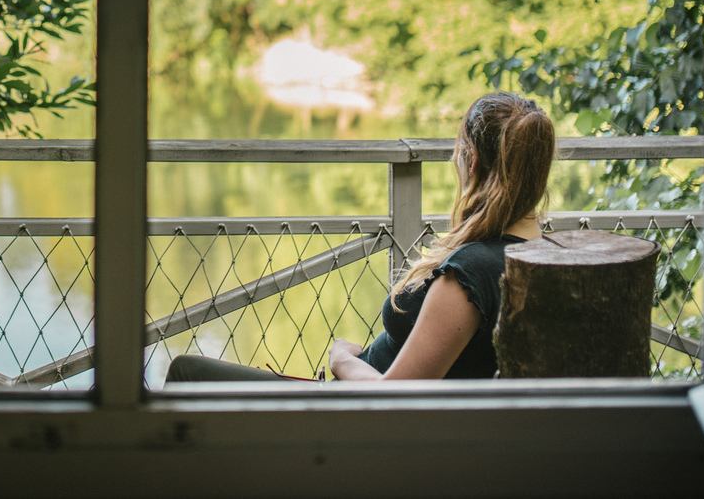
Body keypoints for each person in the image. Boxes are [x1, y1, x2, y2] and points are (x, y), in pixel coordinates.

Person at [165, 90, 555, 385]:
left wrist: (342, 359)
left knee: (186, 373)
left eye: (459, 153)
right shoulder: (542, 257)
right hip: (375, 420)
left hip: (354, 427)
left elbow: (396, 399)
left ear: (471, 162)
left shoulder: (470, 274)